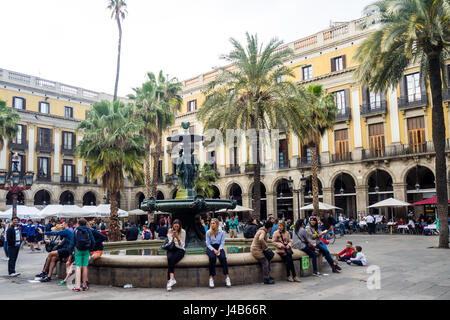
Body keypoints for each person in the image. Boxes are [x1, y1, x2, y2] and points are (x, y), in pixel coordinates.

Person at [205, 218, 231, 288]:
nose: (212, 225)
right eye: (211, 223)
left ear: (217, 224)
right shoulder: (208, 232)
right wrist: (214, 250)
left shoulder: (222, 232)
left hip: (219, 247)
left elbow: (222, 242)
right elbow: (208, 243)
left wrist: (219, 249)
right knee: (212, 257)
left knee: (223, 258)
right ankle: (211, 278)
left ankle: (227, 277)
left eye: (213, 223)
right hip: (211, 247)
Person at [72, 219, 95, 292]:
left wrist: (71, 251)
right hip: (86, 250)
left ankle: (77, 286)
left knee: (78, 267)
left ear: (78, 224)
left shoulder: (75, 231)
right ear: (85, 224)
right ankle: (84, 285)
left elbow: (72, 242)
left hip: (78, 250)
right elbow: (93, 241)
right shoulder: (88, 230)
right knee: (85, 266)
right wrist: (90, 249)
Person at [166, 219, 186, 291]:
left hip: (180, 249)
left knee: (171, 260)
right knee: (169, 258)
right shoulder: (170, 231)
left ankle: (169, 281)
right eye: (175, 227)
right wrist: (173, 237)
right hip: (172, 248)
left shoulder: (183, 231)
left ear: (180, 226)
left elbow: (182, 245)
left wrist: (177, 238)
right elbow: (170, 243)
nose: (176, 228)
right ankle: (172, 279)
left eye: (177, 226)